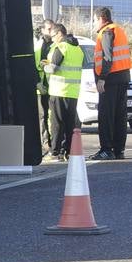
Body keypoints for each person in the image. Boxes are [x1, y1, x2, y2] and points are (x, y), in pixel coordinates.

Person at [91, 6, 131, 160]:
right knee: (120, 116)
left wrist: (102, 78)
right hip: (123, 76)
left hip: (111, 79)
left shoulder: (106, 32)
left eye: (95, 20)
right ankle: (118, 149)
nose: (94, 23)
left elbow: (108, 57)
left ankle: (107, 149)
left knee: (106, 115)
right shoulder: (118, 30)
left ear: (101, 18)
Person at [41, 24, 82, 162]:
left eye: (53, 36)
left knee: (57, 123)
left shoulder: (62, 47)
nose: (52, 39)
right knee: (70, 123)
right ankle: (69, 152)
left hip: (59, 91)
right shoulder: (77, 48)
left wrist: (44, 66)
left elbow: (53, 68)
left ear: (60, 34)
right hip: (73, 92)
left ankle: (55, 152)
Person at [35, 20, 56, 156]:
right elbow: (32, 65)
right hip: (41, 86)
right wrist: (37, 83)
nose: (50, 31)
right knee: (42, 117)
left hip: (54, 86)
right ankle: (45, 144)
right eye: (48, 29)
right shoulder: (37, 45)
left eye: (52, 29)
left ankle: (54, 144)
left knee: (53, 117)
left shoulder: (56, 44)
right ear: (42, 30)